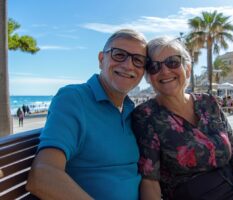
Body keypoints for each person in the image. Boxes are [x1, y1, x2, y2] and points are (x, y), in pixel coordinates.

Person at [131, 37, 233, 200]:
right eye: (154, 66)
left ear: (188, 69)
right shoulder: (146, 116)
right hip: (206, 195)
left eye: (173, 62)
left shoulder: (207, 102)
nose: (165, 71)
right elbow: (150, 181)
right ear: (148, 76)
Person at [26, 29, 148, 200]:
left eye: (138, 60)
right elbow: (43, 175)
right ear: (101, 59)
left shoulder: (129, 110)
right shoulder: (73, 99)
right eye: (119, 55)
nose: (129, 65)